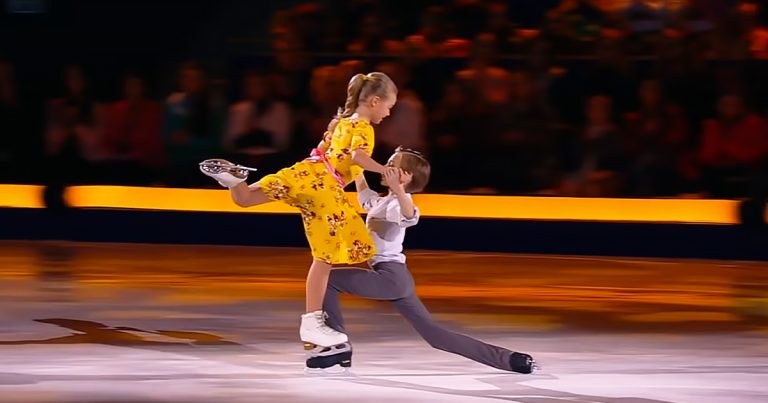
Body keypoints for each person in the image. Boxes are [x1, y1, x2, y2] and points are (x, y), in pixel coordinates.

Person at [200, 72, 398, 349]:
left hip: (306, 172)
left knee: (244, 198)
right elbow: (358, 157)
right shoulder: (365, 127)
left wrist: (362, 186)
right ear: (375, 101)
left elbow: (335, 155)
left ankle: (234, 180)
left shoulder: (341, 122)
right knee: (325, 258)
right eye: (389, 106)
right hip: (324, 188)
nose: (388, 113)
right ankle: (312, 323)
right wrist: (384, 170)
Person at [306, 147, 537, 375]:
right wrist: (354, 166)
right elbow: (366, 197)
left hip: (390, 277)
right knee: (435, 335)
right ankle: (511, 360)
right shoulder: (385, 202)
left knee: (326, 280)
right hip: (396, 278)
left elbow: (410, 215)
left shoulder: (400, 201)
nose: (386, 167)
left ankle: (336, 346)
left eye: (393, 164)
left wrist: (398, 189)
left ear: (406, 176)